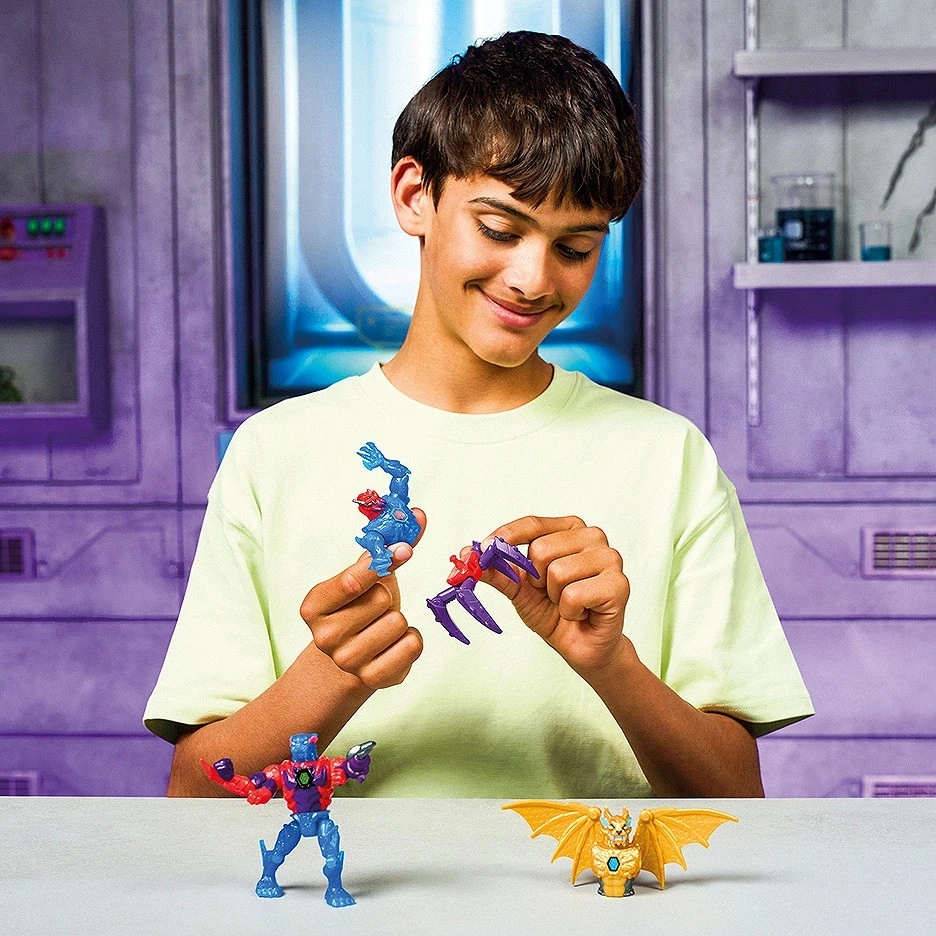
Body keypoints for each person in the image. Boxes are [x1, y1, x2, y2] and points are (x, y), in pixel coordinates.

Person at [144, 30, 813, 799]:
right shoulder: (274, 453)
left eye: (576, 247)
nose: (533, 279)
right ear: (414, 196)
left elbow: (738, 801)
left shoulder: (669, 459)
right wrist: (330, 675)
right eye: (499, 229)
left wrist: (610, 665)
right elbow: (193, 795)